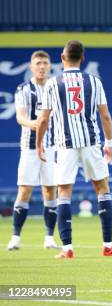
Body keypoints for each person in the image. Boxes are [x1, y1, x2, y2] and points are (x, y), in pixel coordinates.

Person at [36, 40, 112, 259]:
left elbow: (43, 119)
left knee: (64, 192)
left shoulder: (52, 84)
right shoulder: (93, 81)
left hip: (64, 144)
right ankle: (108, 245)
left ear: (62, 57)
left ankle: (67, 248)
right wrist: (109, 143)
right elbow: (105, 115)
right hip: (90, 141)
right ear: (82, 58)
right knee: (102, 188)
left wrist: (39, 144)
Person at [7, 51, 59, 251]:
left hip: (53, 146)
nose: (42, 66)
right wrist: (35, 124)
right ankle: (15, 238)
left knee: (50, 190)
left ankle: (49, 238)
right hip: (29, 147)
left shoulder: (56, 88)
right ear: (31, 67)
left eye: (45, 63)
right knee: (25, 189)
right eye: (38, 63)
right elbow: (20, 117)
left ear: (49, 66)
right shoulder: (24, 89)